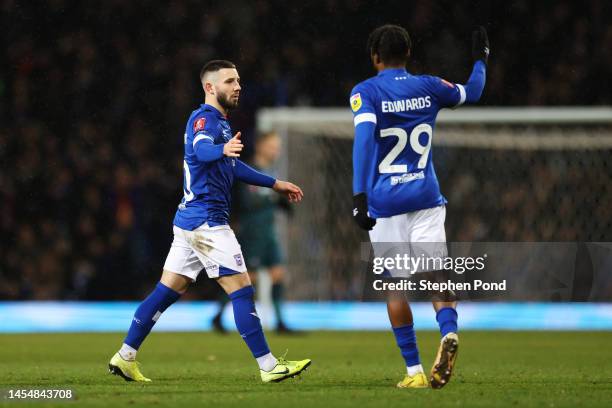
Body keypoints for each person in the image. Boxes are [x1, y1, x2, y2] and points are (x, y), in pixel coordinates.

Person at [108, 60, 311, 383]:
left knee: (166, 290)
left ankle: (125, 356)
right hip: (207, 223)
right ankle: (269, 366)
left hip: (189, 221)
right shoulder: (204, 119)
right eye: (229, 81)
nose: (237, 86)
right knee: (243, 290)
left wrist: (275, 183)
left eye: (239, 81)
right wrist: (221, 149)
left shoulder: (221, 124)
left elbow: (233, 167)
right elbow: (203, 151)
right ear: (209, 87)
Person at [350, 25, 488, 388]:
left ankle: (413, 372)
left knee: (395, 287)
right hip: (426, 197)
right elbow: (472, 92)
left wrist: (358, 197)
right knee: (436, 276)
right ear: (408, 53)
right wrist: (480, 60)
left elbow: (364, 142)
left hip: (385, 201)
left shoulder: (366, 92)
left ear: (374, 57)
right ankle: (448, 332)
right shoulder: (430, 86)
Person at [212, 131, 296, 333]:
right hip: (251, 232)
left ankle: (280, 322)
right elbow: (246, 202)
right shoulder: (249, 172)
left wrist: (286, 202)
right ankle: (219, 315)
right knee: (248, 277)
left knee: (277, 273)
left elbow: (277, 202)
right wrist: (274, 198)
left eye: (277, 147)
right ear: (260, 145)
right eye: (272, 146)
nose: (275, 150)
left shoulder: (272, 171)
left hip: (268, 232)